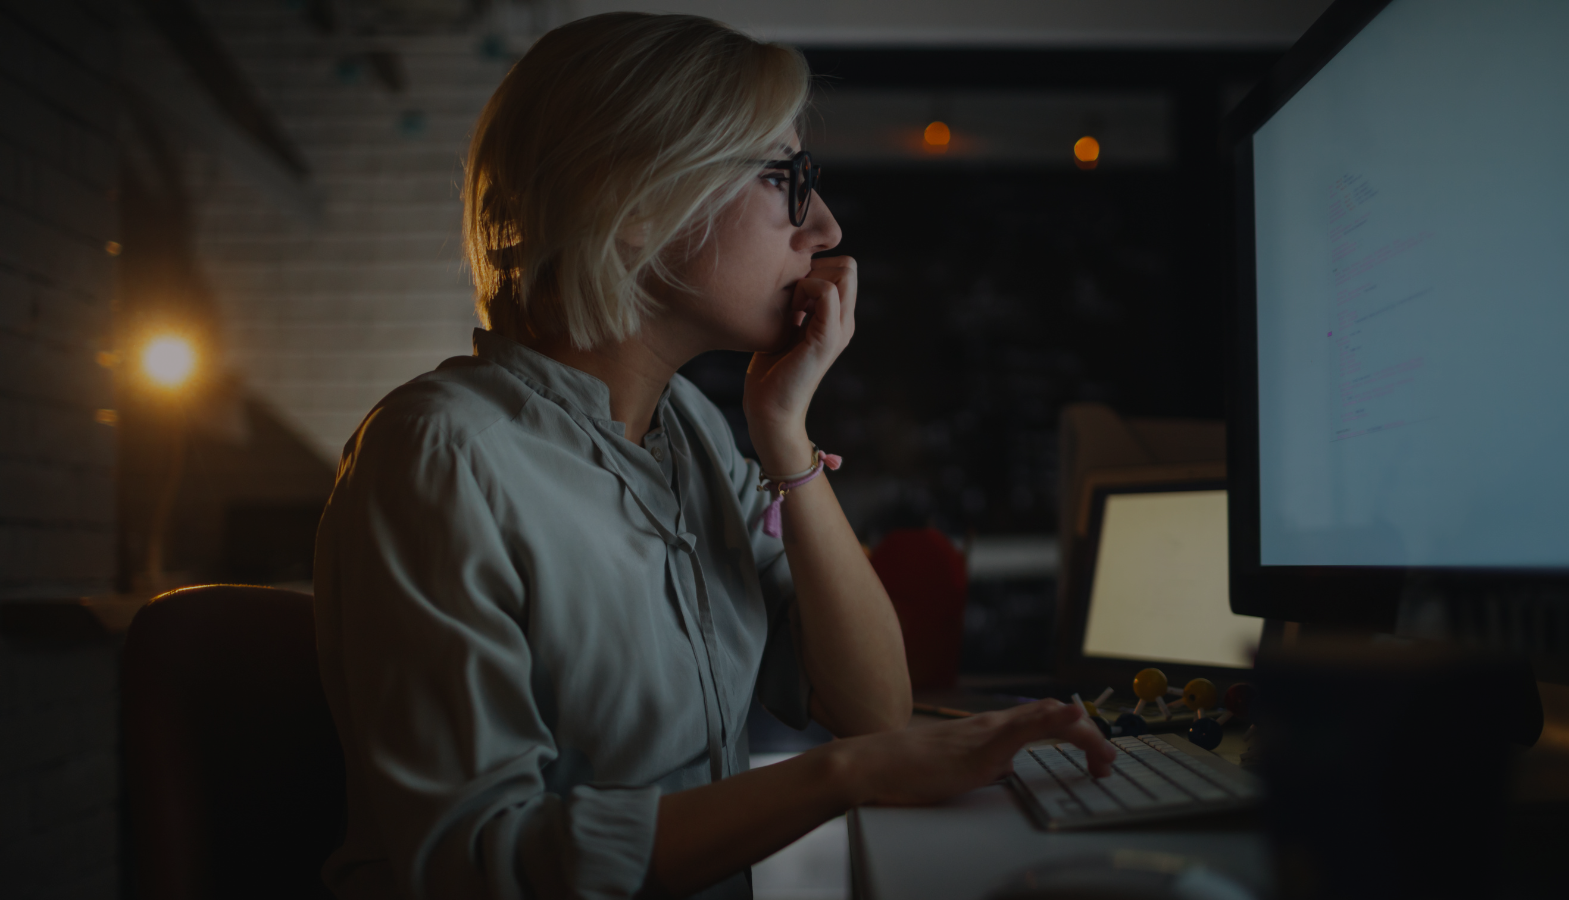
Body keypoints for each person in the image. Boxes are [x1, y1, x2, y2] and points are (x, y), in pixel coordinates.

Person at [313, 12, 1114, 900]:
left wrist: (785, 435)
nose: (825, 228)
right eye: (786, 178)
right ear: (630, 201)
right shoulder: (444, 454)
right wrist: (839, 780)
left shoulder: (689, 432)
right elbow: (480, 866)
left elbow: (872, 710)